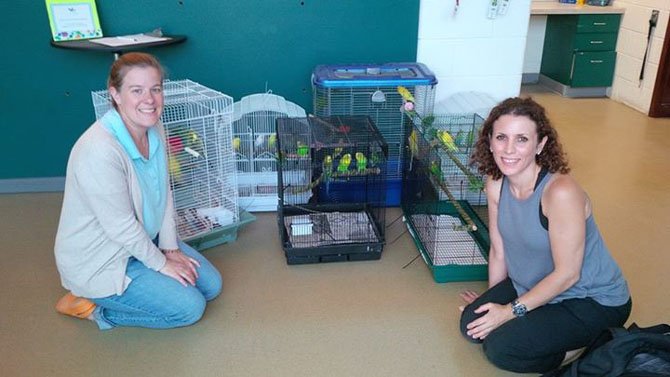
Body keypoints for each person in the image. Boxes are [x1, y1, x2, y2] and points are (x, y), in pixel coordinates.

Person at [459, 97, 631, 373]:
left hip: (590, 300)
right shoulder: (496, 183)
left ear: (540, 145)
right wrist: (493, 300)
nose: (509, 149)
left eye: (522, 139)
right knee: (472, 326)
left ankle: (586, 345)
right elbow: (499, 250)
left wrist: (507, 312)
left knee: (501, 349)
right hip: (532, 284)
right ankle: (535, 320)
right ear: (489, 141)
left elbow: (568, 274)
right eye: (501, 137)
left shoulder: (560, 192)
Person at [54, 52, 222, 330]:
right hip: (106, 259)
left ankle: (150, 269)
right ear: (115, 95)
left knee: (211, 286)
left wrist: (168, 247)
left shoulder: (155, 127)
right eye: (137, 90)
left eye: (155, 89)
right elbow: (120, 227)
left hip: (146, 238)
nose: (150, 100)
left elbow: (163, 191)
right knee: (190, 309)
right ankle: (91, 306)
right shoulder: (99, 150)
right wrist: (161, 264)